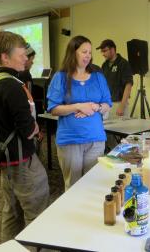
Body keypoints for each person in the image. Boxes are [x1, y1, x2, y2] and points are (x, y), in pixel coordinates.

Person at [0, 31, 49, 242]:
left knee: (11, 212)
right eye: (22, 54)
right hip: (23, 162)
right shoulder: (13, 86)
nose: (26, 58)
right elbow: (28, 129)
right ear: (5, 57)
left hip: (4, 161)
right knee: (38, 214)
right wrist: (35, 128)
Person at [47, 35, 112, 191]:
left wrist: (95, 107)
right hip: (71, 140)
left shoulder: (98, 76)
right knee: (73, 187)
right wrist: (78, 106)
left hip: (96, 140)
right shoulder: (60, 77)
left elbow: (107, 104)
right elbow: (53, 108)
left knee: (94, 185)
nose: (88, 55)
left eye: (90, 52)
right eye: (84, 51)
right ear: (73, 52)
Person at [97, 39, 133, 118]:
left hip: (119, 103)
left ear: (112, 50)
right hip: (106, 104)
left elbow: (128, 85)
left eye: (105, 51)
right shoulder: (104, 65)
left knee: (121, 130)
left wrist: (122, 106)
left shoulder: (123, 63)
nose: (103, 54)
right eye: (102, 51)